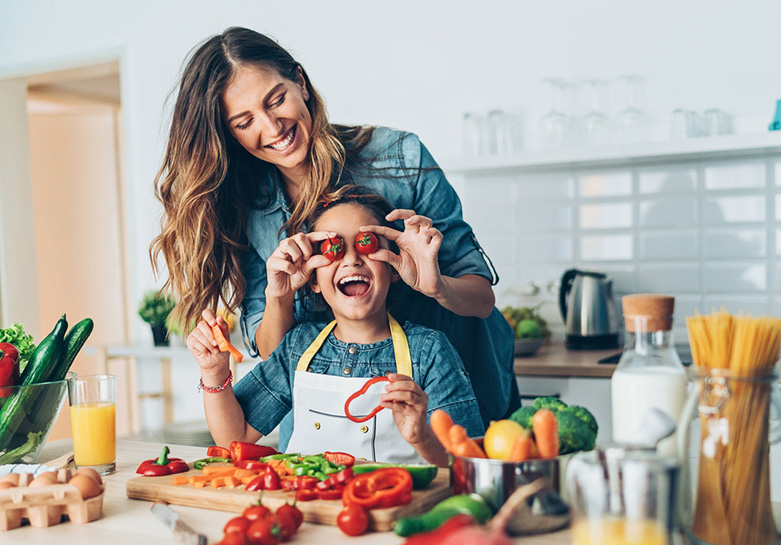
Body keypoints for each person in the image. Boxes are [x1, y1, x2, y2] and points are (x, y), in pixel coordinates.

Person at [151, 26, 518, 433]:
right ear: (228, 134)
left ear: (301, 83)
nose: (272, 128)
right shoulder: (241, 206)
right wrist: (280, 297)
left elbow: (481, 299)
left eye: (276, 100)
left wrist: (436, 286)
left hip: (439, 402)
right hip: (325, 416)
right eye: (244, 121)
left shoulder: (399, 158)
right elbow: (278, 356)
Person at [187, 191, 483, 467]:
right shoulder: (298, 346)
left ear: (393, 268)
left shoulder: (429, 350)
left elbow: (467, 465)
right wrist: (213, 372)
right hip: (306, 513)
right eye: (333, 249)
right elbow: (233, 438)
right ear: (312, 279)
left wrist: (422, 437)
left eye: (367, 244)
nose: (352, 259)